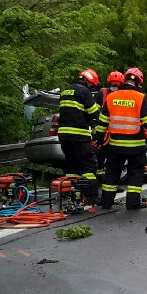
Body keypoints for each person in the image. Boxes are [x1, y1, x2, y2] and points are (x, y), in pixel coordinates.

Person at [95, 67, 147, 210]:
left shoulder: (111, 97)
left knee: (112, 173)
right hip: (136, 145)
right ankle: (132, 203)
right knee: (136, 173)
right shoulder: (140, 98)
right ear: (139, 83)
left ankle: (106, 202)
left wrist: (99, 138)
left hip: (115, 145)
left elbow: (103, 121)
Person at [57, 69, 101, 204]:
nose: (91, 87)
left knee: (72, 166)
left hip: (63, 135)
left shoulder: (65, 91)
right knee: (89, 165)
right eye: (92, 85)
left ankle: (73, 196)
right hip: (78, 134)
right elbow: (93, 112)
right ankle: (91, 197)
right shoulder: (83, 91)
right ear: (88, 81)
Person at [95, 70, 126, 180]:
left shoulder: (123, 95)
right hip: (104, 131)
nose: (115, 86)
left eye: (117, 84)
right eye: (114, 83)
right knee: (100, 156)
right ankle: (99, 178)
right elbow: (95, 111)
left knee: (113, 159)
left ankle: (108, 179)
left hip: (115, 132)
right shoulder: (102, 93)